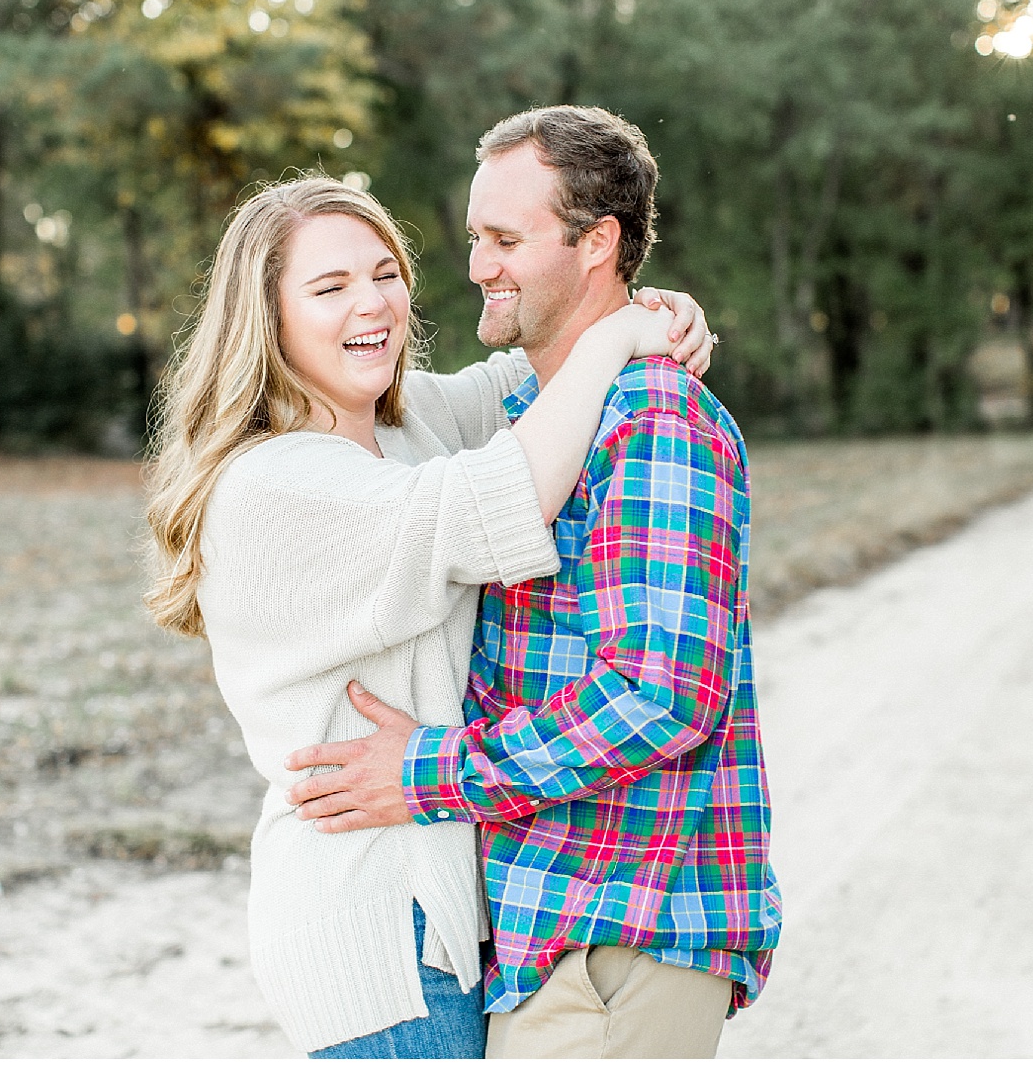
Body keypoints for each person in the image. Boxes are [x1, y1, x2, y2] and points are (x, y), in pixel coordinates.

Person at [143, 173, 715, 1058]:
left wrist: (652, 310)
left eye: (385, 274)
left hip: (429, 896)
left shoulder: (399, 425)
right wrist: (620, 338)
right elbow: (504, 497)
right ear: (268, 317)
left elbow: (534, 372)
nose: (371, 303)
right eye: (330, 287)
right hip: (375, 912)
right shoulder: (274, 482)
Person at [284, 107, 782, 1058]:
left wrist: (428, 770)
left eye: (507, 240)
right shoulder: (527, 409)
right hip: (551, 934)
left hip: (621, 934)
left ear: (598, 243)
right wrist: (640, 317)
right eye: (477, 236)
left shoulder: (654, 419)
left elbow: (663, 694)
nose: (479, 265)